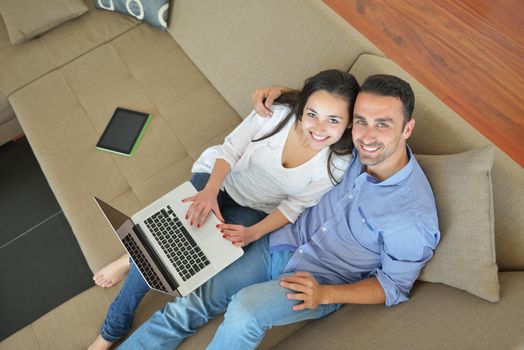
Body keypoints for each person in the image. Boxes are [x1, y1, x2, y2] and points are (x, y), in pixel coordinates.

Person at [115, 73, 440, 349]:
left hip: (319, 279)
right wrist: (280, 93)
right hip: (279, 244)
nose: (367, 136)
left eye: (383, 124)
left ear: (407, 128)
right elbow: (323, 106)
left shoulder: (412, 218)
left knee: (244, 311)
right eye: (361, 121)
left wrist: (326, 294)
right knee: (190, 304)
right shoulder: (353, 150)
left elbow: (393, 287)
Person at [88, 69, 360, 350]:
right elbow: (229, 150)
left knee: (174, 252)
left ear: (349, 124)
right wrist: (208, 193)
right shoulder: (277, 114)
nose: (318, 128)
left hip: (254, 210)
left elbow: (295, 207)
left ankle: (131, 254)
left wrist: (253, 233)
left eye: (334, 120)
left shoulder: (336, 164)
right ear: (303, 106)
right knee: (157, 252)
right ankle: (110, 331)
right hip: (217, 179)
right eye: (312, 114)